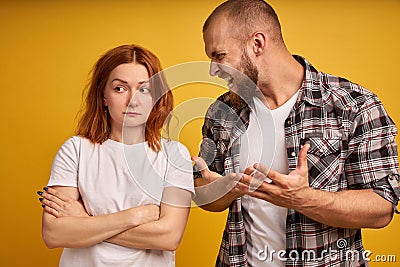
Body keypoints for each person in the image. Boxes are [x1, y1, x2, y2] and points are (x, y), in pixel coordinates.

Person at [192, 1, 400, 266]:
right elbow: (204, 195)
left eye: (219, 56)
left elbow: (381, 209)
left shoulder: (354, 105)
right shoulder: (222, 112)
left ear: (257, 44)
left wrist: (304, 199)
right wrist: (222, 190)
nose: (212, 70)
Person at [37, 44, 194, 267]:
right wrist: (136, 216)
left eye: (144, 89)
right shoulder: (76, 150)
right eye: (120, 88)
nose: (133, 99)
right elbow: (54, 234)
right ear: (103, 96)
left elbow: (168, 237)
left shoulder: (174, 155)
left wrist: (84, 221)